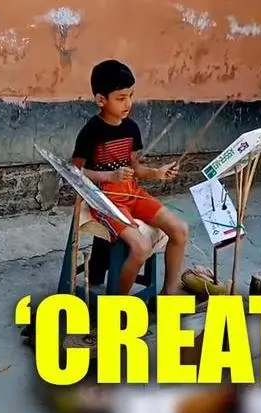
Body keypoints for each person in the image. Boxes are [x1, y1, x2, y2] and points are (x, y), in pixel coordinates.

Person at [71, 59, 189, 296]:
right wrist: (110, 175)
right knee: (140, 247)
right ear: (101, 100)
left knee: (180, 229)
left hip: (131, 193)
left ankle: (170, 293)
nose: (128, 103)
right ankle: (119, 305)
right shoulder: (91, 131)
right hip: (105, 201)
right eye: (121, 98)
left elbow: (135, 168)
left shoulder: (131, 128)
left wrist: (157, 172)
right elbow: (75, 173)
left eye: (131, 96)